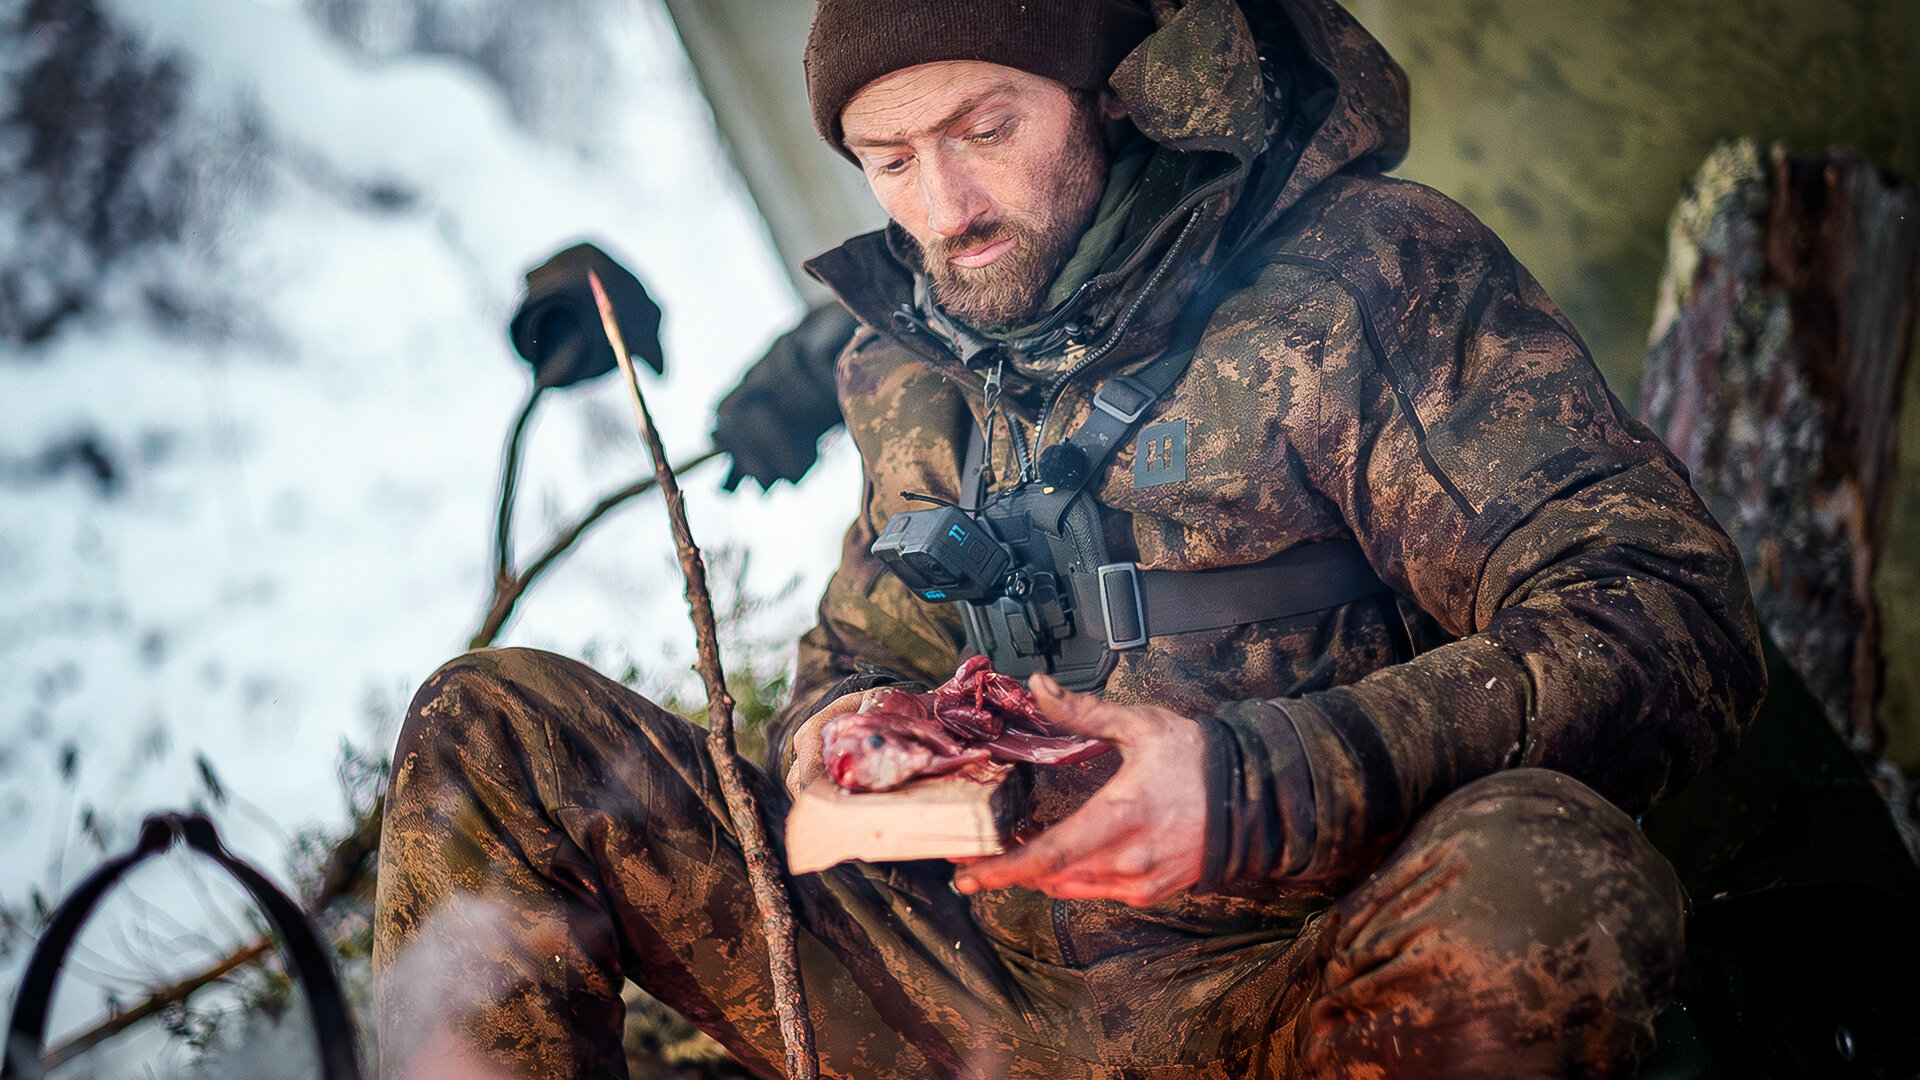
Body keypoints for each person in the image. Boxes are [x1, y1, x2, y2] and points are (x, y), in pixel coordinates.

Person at [372, 0, 1767, 1076]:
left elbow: (1662, 616)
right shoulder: (908, 366)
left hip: (1293, 988)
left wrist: (1256, 782)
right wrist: (844, 735)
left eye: (984, 131)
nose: (941, 210)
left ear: (1114, 91)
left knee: (1551, 893)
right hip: (961, 1006)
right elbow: (860, 651)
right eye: (888, 160)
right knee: (494, 727)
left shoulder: (1361, 283)